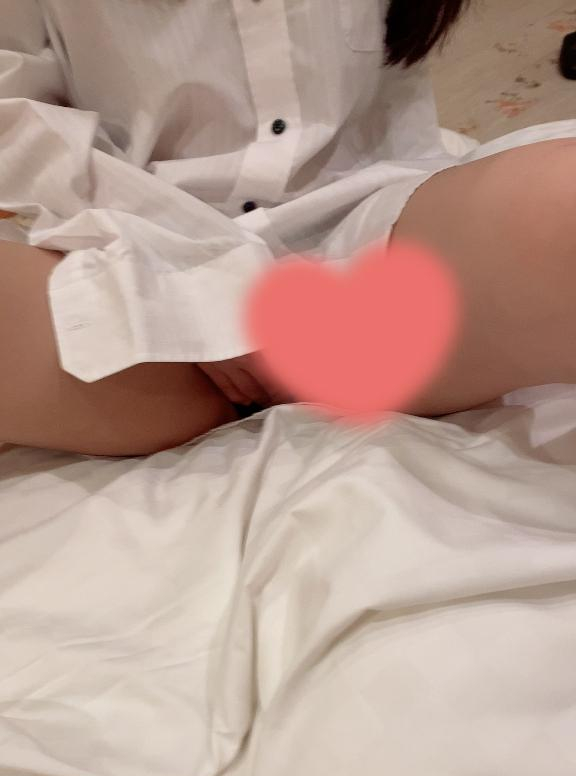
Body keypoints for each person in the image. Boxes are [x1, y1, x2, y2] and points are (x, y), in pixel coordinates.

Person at [1, 0, 575, 457]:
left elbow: (394, 79)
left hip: (367, 236)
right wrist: (199, 278)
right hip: (131, 262)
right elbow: (13, 115)